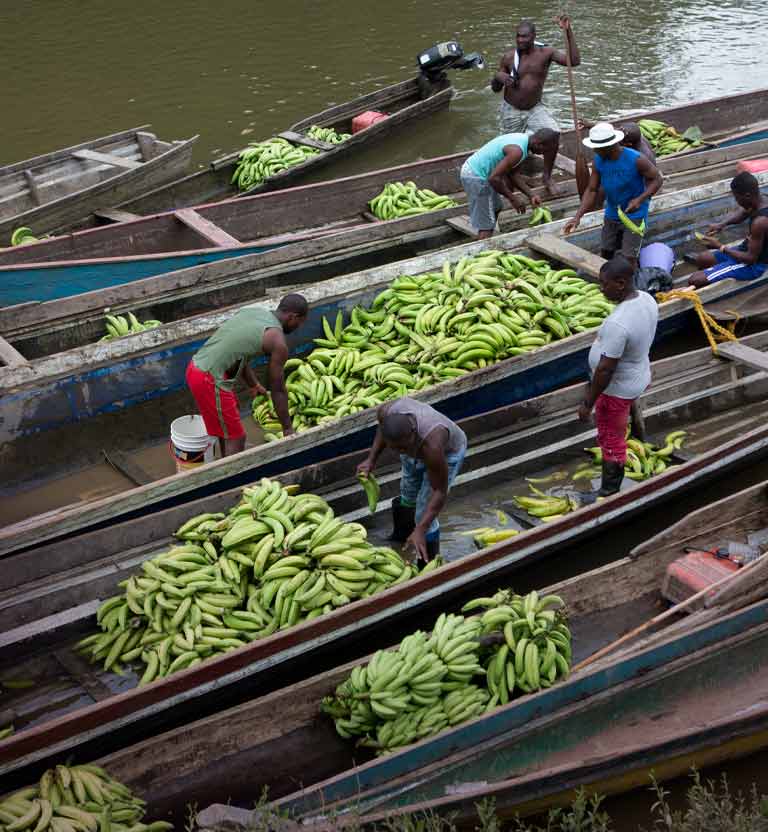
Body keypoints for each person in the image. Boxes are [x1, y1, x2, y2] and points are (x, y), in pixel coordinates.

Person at [185, 294, 308, 457]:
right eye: (299, 323)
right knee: (237, 438)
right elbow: (277, 389)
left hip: (196, 368)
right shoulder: (278, 341)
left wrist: (253, 384)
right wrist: (287, 428)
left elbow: (239, 352)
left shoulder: (252, 312)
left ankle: (224, 467)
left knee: (227, 429)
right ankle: (233, 480)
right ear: (292, 317)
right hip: (209, 379)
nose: (297, 327)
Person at [578, 255, 658, 497]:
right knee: (624, 414)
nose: (601, 288)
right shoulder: (646, 299)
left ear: (621, 283)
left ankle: (609, 491)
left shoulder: (619, 323)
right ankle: (638, 434)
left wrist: (587, 403)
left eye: (604, 283)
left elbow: (605, 370)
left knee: (610, 438)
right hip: (638, 375)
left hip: (617, 390)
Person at [356, 397, 467, 563]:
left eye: (404, 447)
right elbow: (382, 429)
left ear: (413, 431)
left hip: (447, 454)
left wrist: (421, 529)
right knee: (408, 491)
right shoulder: (387, 413)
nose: (401, 451)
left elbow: (440, 491)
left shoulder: (433, 444)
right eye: (395, 448)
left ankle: (427, 562)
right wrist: (371, 459)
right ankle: (403, 538)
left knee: (424, 508)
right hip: (416, 448)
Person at [491, 16, 580, 193]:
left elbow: (574, 61)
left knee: (553, 133)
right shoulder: (509, 58)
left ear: (533, 37)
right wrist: (497, 77)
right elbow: (495, 89)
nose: (520, 40)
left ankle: (547, 176)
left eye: (524, 37)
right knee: (509, 148)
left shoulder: (545, 53)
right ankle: (512, 178)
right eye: (518, 36)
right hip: (512, 110)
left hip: (535, 108)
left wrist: (568, 31)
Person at [564, 122, 663, 270]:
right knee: (606, 253)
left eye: (597, 148)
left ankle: (631, 286)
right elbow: (592, 190)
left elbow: (657, 179)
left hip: (634, 214)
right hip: (612, 212)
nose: (595, 150)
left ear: (609, 146)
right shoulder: (598, 161)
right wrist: (577, 216)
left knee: (629, 257)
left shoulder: (636, 159)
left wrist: (640, 199)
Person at [460, 129, 560, 238]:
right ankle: (484, 244)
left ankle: (488, 233)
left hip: (478, 172)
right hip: (476, 176)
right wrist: (513, 199)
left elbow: (513, 175)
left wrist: (531, 195)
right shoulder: (517, 152)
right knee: (486, 223)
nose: (544, 153)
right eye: (546, 150)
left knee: (496, 207)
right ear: (539, 144)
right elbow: (494, 179)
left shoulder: (524, 142)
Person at [688, 171, 768, 288]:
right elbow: (744, 213)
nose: (737, 202)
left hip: (754, 264)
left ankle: (714, 276)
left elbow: (750, 259)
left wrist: (720, 247)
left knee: (694, 280)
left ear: (747, 196)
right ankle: (714, 273)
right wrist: (721, 224)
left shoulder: (760, 222)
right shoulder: (761, 200)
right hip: (747, 249)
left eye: (737, 198)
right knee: (703, 258)